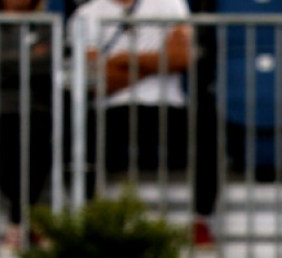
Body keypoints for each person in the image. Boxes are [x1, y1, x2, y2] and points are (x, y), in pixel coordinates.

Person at [68, 0, 219, 245]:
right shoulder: (86, 14)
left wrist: (122, 59)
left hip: (166, 106)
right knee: (81, 134)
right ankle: (85, 221)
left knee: (209, 125)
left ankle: (202, 220)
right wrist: (158, 62)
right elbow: (95, 80)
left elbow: (181, 58)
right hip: (112, 109)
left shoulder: (171, 4)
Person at [0, 0, 58, 250]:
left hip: (37, 109)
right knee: (4, 159)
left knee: (37, 153)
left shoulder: (48, 27)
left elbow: (50, 66)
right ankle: (28, 222)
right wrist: (26, 60)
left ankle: (18, 224)